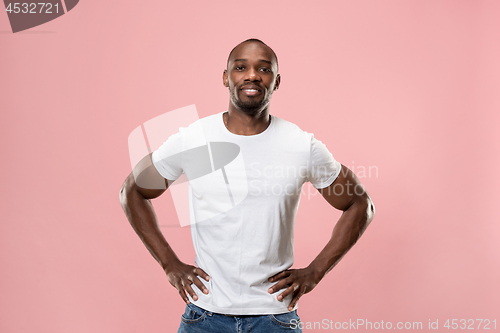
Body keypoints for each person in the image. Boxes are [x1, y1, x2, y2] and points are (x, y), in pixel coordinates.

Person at [119, 38, 375, 333]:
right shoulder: (194, 139)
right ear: (226, 77)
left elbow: (360, 204)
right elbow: (133, 191)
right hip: (205, 315)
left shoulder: (301, 145)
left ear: (276, 82)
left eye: (263, 69)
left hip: (275, 317)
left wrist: (315, 272)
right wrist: (169, 264)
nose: (252, 75)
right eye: (241, 67)